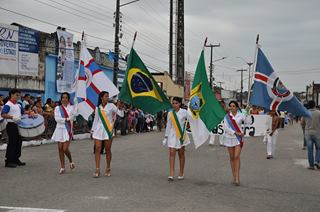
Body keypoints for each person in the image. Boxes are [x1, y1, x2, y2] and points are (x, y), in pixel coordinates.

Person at [223, 100, 251, 186]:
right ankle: (234, 176)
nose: (232, 108)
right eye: (230, 106)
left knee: (236, 156)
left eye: (233, 106)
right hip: (229, 138)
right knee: (231, 158)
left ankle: (238, 177)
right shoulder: (227, 116)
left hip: (238, 139)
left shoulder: (241, 115)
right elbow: (226, 128)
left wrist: (248, 113)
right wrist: (235, 132)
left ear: (237, 107)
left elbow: (249, 122)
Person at [91, 91, 117, 178]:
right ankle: (97, 168)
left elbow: (120, 114)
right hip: (98, 130)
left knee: (108, 149)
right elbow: (96, 120)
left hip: (108, 130)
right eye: (106, 96)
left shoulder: (112, 106)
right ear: (101, 97)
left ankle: (108, 167)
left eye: (108, 96)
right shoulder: (98, 108)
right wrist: (92, 131)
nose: (107, 98)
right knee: (97, 148)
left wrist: (119, 107)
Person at [163, 97, 189, 181]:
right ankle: (171, 174)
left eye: (176, 103)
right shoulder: (170, 113)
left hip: (181, 135)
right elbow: (168, 126)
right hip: (172, 135)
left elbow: (191, 119)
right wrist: (166, 137)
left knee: (181, 154)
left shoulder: (184, 112)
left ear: (180, 104)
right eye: (173, 103)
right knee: (171, 153)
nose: (174, 105)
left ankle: (181, 172)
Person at [1, 89, 25, 168]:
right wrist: (12, 117)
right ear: (12, 95)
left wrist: (31, 114)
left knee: (18, 142)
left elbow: (23, 112)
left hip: (19, 126)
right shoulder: (8, 104)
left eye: (19, 95)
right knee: (12, 143)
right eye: (17, 95)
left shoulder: (18, 105)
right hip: (11, 125)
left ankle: (16, 159)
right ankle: (9, 161)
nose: (18, 96)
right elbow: (3, 114)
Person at [52, 92, 75, 174]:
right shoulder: (57, 108)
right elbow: (57, 118)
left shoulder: (72, 108)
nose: (64, 99)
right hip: (59, 129)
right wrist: (66, 119)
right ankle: (62, 167)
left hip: (67, 129)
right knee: (60, 149)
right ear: (61, 99)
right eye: (63, 98)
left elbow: (73, 118)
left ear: (68, 99)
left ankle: (71, 161)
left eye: (66, 98)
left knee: (65, 148)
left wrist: (69, 118)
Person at [304, 100, 320, 170]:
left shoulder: (305, 112)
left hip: (308, 133)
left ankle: (311, 165)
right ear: (315, 105)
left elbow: (302, 122)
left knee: (310, 150)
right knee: (319, 148)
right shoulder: (319, 113)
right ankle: (316, 161)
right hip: (317, 133)